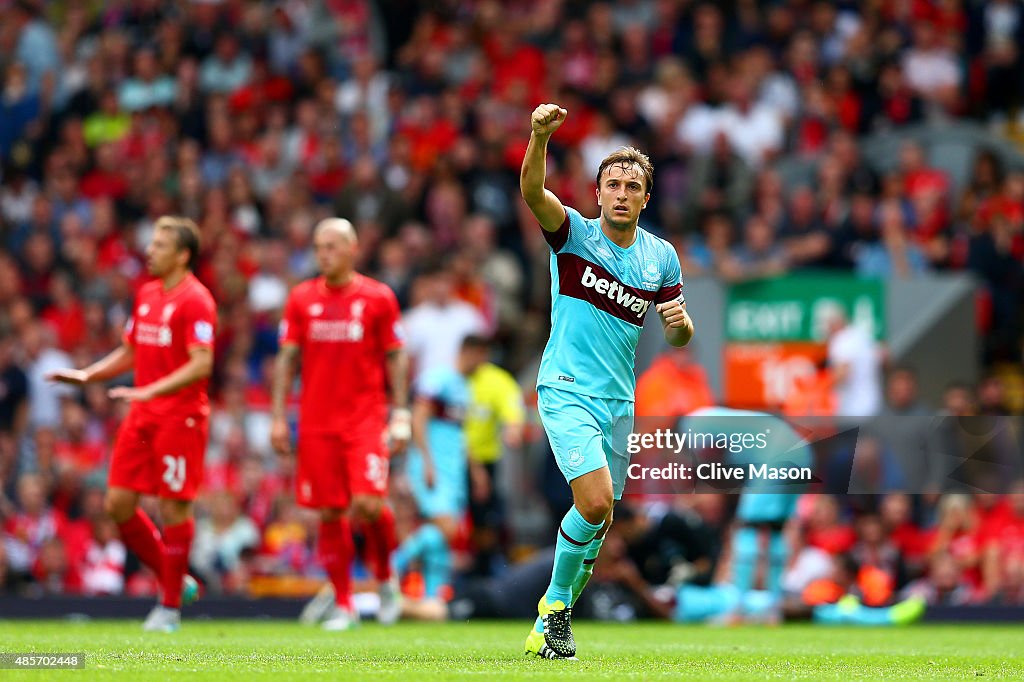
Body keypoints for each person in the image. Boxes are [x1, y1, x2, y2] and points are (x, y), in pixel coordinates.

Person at [520, 103, 693, 660]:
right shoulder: (572, 235)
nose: (621, 192)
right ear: (598, 193)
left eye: (632, 185)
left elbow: (679, 335)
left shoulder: (661, 259)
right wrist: (539, 137)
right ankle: (554, 610)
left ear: (646, 198)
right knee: (593, 504)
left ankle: (553, 621)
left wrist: (681, 325)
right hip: (566, 386)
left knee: (603, 519)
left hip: (620, 401)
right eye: (612, 183)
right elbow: (531, 194)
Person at [47, 216, 216, 632]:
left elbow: (202, 363)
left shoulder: (197, 301)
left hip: (181, 416)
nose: (150, 251)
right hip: (144, 412)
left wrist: (152, 390)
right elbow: (130, 350)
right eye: (151, 243)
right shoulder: (147, 295)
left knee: (174, 506)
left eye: (160, 245)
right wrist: (88, 374)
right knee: (117, 504)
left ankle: (170, 606)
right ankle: (176, 578)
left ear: (183, 254)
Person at [271, 218, 410, 631]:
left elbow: (396, 355)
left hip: (364, 420)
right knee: (329, 513)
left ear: (352, 249)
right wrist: (279, 416)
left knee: (368, 504)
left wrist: (399, 413)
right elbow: (287, 359)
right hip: (315, 422)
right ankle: (345, 604)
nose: (323, 254)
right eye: (318, 247)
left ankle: (385, 578)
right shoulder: (300, 298)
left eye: (332, 246)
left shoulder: (378, 297)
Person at [392, 335, 477, 614]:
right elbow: (418, 416)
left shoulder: (464, 388)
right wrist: (426, 462)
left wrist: (474, 470)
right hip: (433, 468)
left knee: (444, 538)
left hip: (453, 472)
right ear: (469, 351)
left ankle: (432, 598)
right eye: (482, 356)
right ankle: (391, 568)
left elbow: (459, 434)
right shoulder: (438, 377)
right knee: (445, 528)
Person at [462, 335, 525, 578]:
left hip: (484, 462)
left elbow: (512, 409)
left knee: (485, 520)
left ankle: (483, 570)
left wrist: (513, 428)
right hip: (449, 462)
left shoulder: (497, 381)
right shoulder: (451, 380)